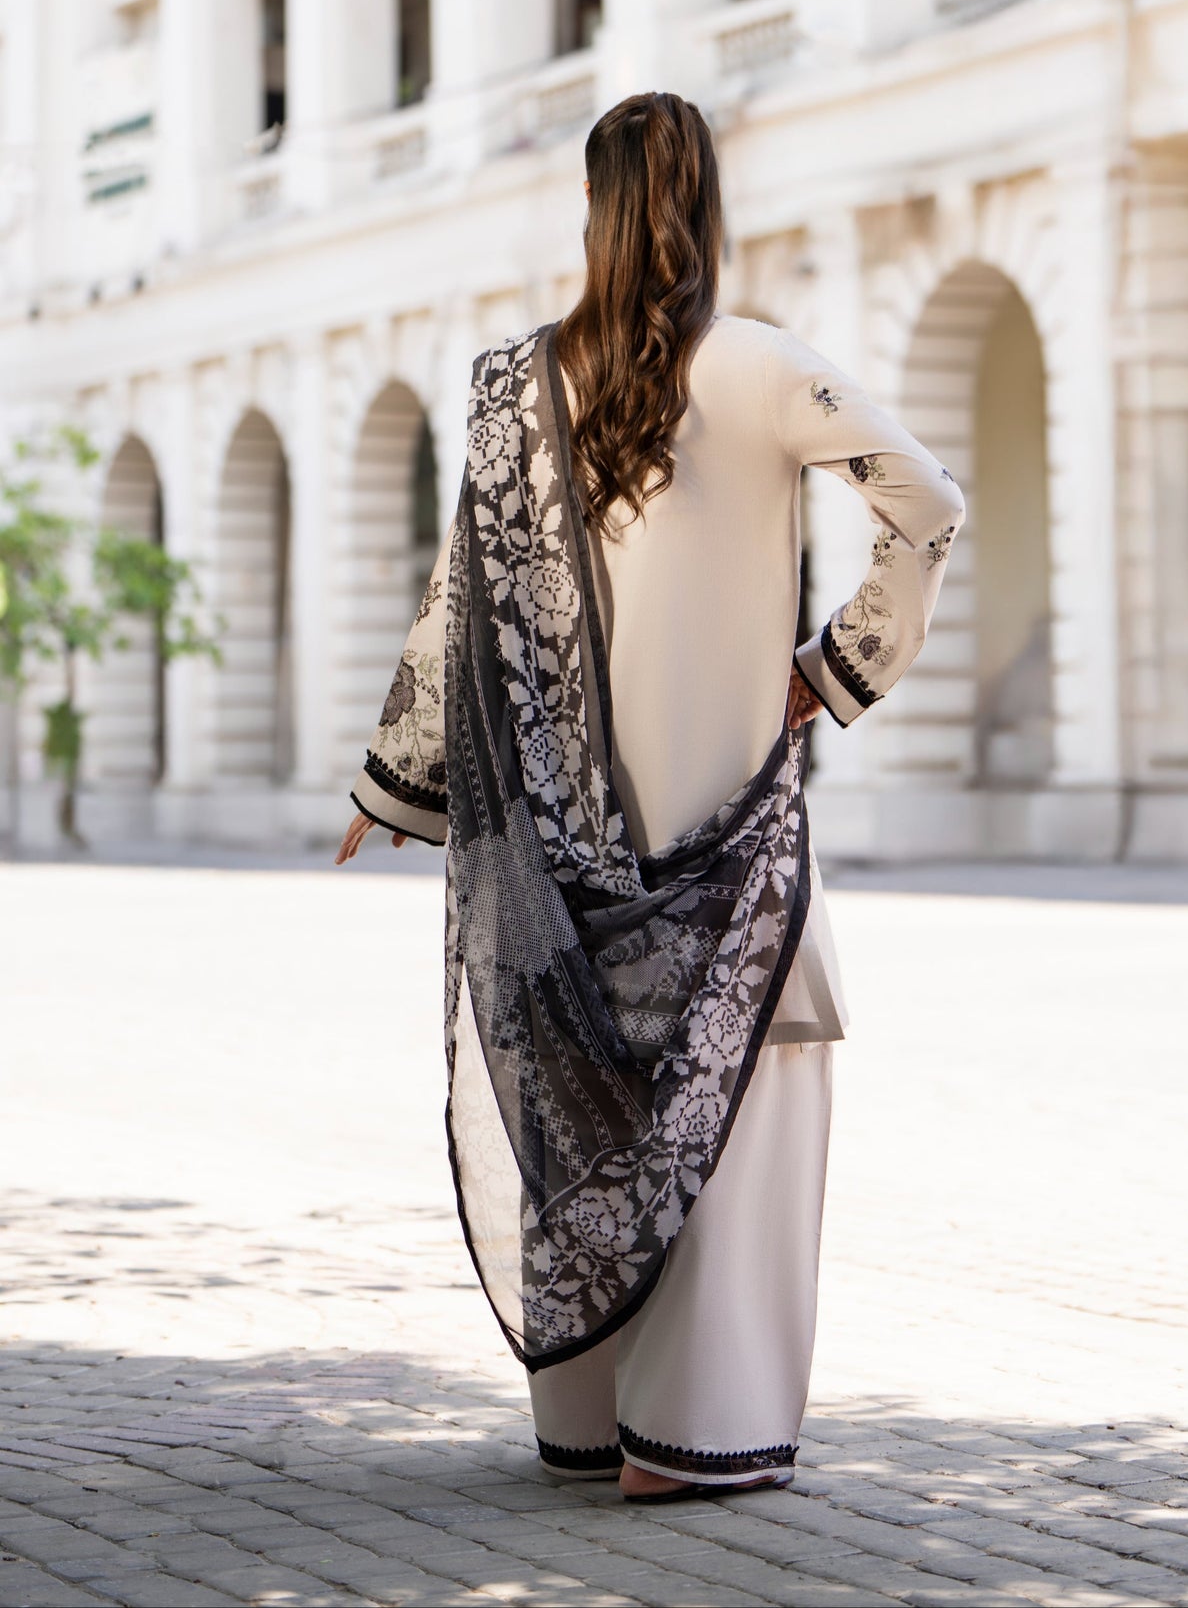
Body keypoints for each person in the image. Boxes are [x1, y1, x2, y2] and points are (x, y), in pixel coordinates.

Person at [336, 92, 963, 1502]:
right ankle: (688, 1445)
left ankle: (587, 1427)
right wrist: (841, 664)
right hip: (729, 837)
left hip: (564, 853)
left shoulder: (517, 387)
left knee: (583, 1099)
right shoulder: (763, 367)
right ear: (707, 204)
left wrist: (398, 778)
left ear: (590, 207)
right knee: (749, 1092)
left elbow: (460, 603)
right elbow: (925, 501)